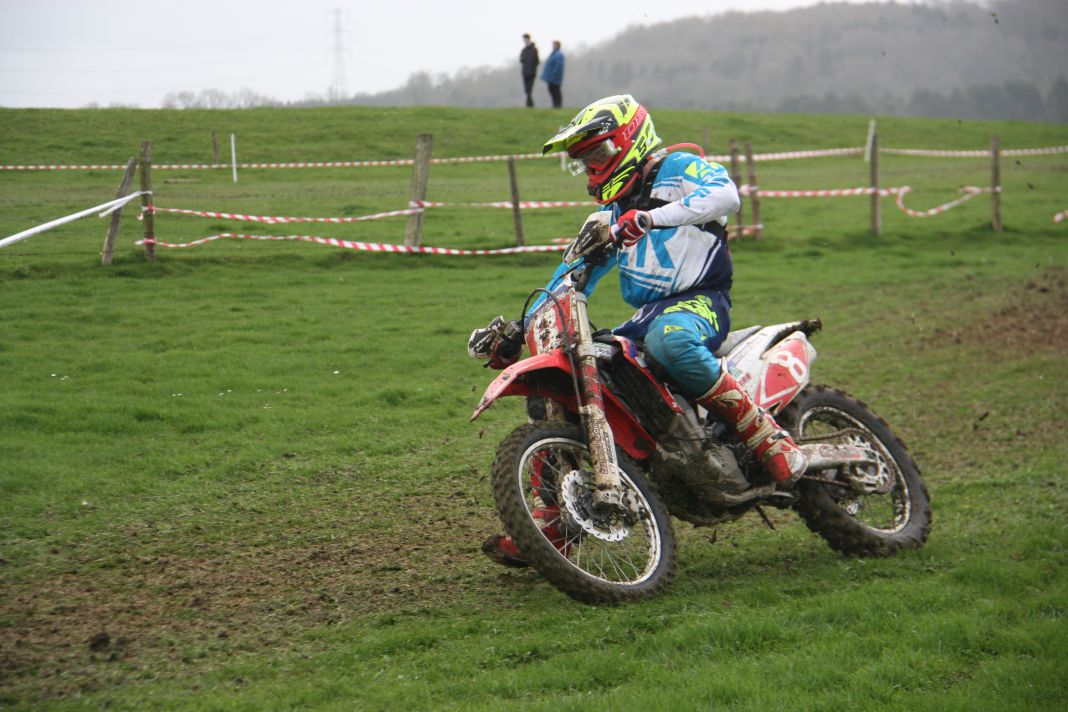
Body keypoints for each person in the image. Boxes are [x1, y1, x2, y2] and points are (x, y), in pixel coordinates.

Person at [471, 95, 807, 567]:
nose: (593, 168)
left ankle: (766, 436)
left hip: (701, 302)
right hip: (648, 314)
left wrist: (651, 217)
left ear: (630, 139)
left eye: (599, 153)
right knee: (570, 377)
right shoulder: (608, 216)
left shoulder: (678, 168)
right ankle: (554, 521)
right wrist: (516, 332)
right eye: (584, 161)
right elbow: (565, 279)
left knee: (670, 341)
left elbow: (727, 196)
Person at [540, 41, 565, 108]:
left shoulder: (559, 55)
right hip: (551, 77)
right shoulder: (553, 54)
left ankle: (557, 104)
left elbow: (558, 66)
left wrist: (553, 75)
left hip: (555, 77)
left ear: (557, 46)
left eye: (554, 45)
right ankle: (555, 104)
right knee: (552, 90)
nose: (553, 46)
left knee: (556, 90)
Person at [519, 34, 539, 108]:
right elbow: (521, 59)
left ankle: (529, 104)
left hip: (532, 72)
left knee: (529, 89)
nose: (525, 41)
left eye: (526, 39)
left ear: (529, 39)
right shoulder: (524, 50)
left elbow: (537, 61)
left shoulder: (534, 50)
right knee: (526, 89)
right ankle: (530, 103)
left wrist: (533, 68)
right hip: (525, 72)